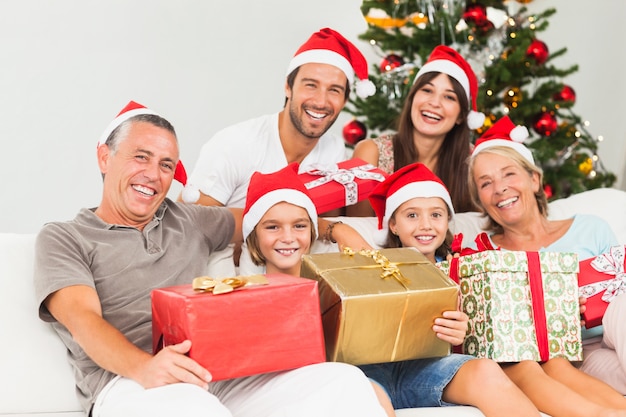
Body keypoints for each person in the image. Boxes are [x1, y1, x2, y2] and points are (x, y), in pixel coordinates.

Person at [33, 100, 391, 417]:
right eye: (140, 156)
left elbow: (264, 219)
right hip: (130, 382)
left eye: (166, 165)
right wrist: (145, 367)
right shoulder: (65, 237)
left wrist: (334, 229)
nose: (153, 174)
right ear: (105, 157)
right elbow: (83, 322)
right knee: (194, 409)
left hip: (217, 376)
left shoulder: (187, 219)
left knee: (342, 383)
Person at [466, 115, 626, 417]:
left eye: (508, 174)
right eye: (485, 183)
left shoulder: (590, 228)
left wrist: (593, 301)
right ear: (480, 201)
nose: (499, 188)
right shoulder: (486, 257)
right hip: (580, 358)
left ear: (534, 180)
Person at [180, 27, 376, 273]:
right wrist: (332, 228)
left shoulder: (333, 150)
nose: (321, 101)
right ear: (288, 87)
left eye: (334, 90)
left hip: (291, 280)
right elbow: (187, 223)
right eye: (310, 85)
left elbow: (314, 239)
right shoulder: (236, 143)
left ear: (345, 100)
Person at [354, 161, 541, 416]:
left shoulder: (461, 270)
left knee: (484, 369)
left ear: (447, 221)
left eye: (436, 214)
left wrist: (461, 333)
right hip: (373, 373)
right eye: (412, 215)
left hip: (429, 370)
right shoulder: (372, 265)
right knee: (365, 397)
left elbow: (485, 335)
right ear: (393, 224)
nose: (426, 225)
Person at [239, 163, 396, 416]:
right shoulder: (246, 296)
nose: (288, 237)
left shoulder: (331, 288)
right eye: (272, 227)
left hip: (338, 377)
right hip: (282, 389)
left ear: (312, 232)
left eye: (299, 226)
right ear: (254, 236)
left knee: (372, 393)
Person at [347, 45, 484, 217]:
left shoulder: (475, 163)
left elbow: (485, 228)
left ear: (461, 116)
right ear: (412, 99)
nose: (434, 103)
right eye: (427, 90)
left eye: (449, 97)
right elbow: (358, 229)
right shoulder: (370, 154)